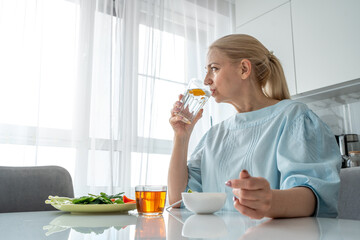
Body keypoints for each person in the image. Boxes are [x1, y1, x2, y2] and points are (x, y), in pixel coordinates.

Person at [168, 34, 341, 219]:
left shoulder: (293, 117)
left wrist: (269, 201)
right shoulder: (214, 135)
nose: (206, 80)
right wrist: (182, 137)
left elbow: (313, 196)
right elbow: (177, 201)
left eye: (214, 69)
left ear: (244, 68)